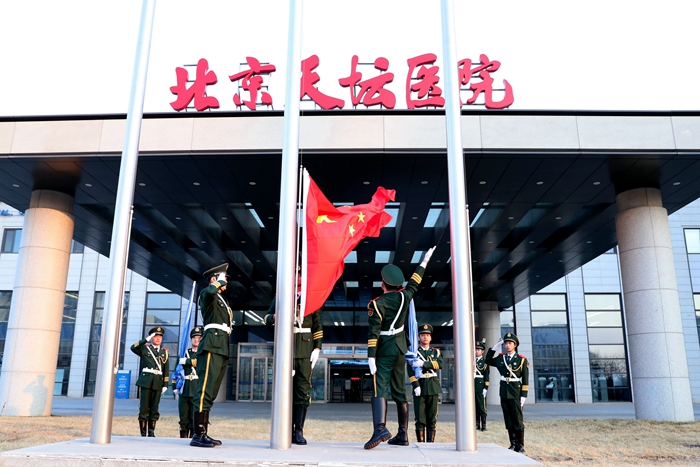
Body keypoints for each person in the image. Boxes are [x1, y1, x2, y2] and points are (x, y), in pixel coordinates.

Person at [364, 246, 435, 450]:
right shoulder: (405, 297)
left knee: (379, 387)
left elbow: (374, 333)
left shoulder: (376, 304)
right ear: (397, 285)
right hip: (401, 350)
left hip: (384, 350)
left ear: (383, 284)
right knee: (399, 390)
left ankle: (380, 429)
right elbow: (415, 281)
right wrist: (424, 262)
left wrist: (371, 356)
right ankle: (403, 434)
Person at [264, 268, 323, 445]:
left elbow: (318, 325)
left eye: (300, 274)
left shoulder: (311, 298)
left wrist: (317, 348)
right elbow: (266, 317)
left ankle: (298, 431)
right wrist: (273, 317)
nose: (297, 277)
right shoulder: (282, 296)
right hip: (286, 348)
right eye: (295, 274)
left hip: (305, 350)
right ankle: (286, 430)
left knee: (302, 391)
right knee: (285, 391)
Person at [191, 263, 232, 448]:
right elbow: (208, 292)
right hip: (212, 345)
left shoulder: (222, 299)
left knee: (212, 391)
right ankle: (197, 434)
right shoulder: (208, 294)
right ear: (214, 279)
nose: (226, 282)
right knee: (205, 389)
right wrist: (217, 283)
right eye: (224, 278)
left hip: (221, 346)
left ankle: (203, 432)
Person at [485, 332, 529, 453]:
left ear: (515, 345)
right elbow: (487, 361)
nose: (507, 345)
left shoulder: (521, 360)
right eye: (506, 343)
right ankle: (512, 443)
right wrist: (494, 349)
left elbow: (525, 380)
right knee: (508, 418)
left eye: (510, 343)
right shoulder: (501, 358)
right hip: (504, 391)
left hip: (515, 391)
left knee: (517, 418)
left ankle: (520, 445)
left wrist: (524, 395)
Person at [130, 326, 169, 437]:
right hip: (146, 381)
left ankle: (151, 432)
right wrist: (145, 340)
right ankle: (143, 434)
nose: (158, 338)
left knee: (154, 408)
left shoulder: (164, 352)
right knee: (144, 407)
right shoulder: (145, 349)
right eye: (155, 336)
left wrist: (165, 384)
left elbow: (166, 369)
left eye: (160, 336)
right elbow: (133, 347)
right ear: (151, 338)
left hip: (157, 382)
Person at [407, 323, 442, 443]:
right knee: (420, 417)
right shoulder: (414, 353)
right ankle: (421, 444)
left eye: (427, 335)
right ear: (418, 338)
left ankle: (431, 443)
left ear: (430, 338)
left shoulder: (436, 352)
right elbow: (410, 371)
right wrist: (415, 385)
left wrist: (423, 364)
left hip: (432, 385)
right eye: (422, 335)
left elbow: (439, 364)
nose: (425, 337)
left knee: (432, 417)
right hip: (420, 385)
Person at [173, 326, 202, 438]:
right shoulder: (183, 353)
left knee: (194, 417)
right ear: (191, 339)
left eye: (199, 338)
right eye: (194, 338)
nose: (196, 340)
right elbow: (176, 372)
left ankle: (193, 438)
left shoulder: (202, 353)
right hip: (184, 389)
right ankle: (183, 439)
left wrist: (187, 361)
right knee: (183, 418)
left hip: (196, 388)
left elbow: (200, 364)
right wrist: (175, 387)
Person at [474, 338, 489, 432]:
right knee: (474, 405)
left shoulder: (484, 362)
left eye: (479, 349)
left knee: (481, 406)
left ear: (482, 351)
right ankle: (476, 424)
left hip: (480, 385)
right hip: (473, 385)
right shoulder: (472, 360)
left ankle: (483, 424)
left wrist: (485, 388)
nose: (477, 351)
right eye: (476, 349)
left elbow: (486, 376)